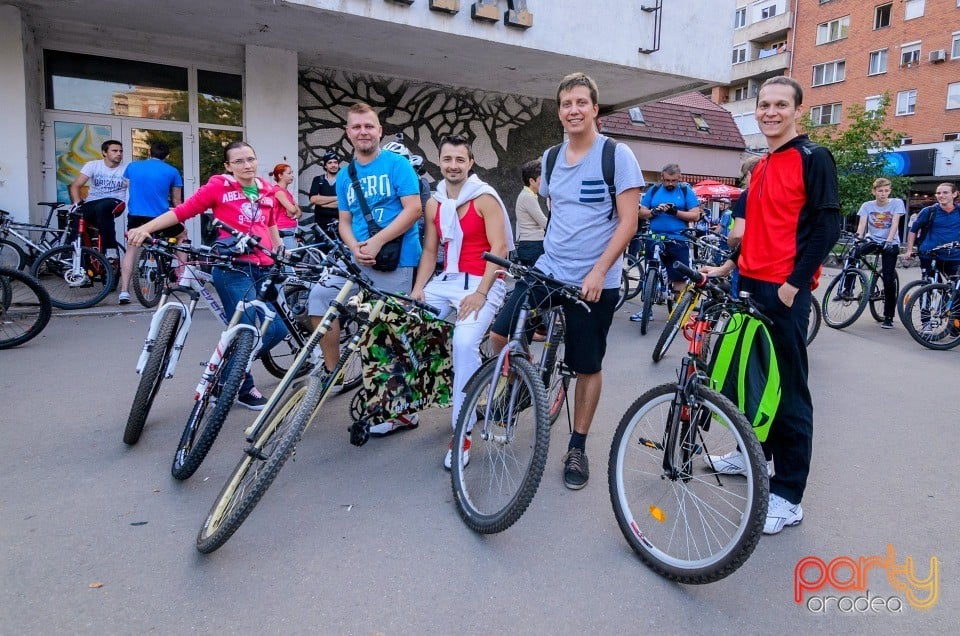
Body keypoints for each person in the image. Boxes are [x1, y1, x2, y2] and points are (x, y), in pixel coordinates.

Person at [489, 72, 644, 490]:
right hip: (551, 267)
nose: (572, 110)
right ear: (559, 112)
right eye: (565, 104)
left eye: (580, 102)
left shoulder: (617, 155)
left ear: (595, 108)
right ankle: (520, 387)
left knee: (586, 365)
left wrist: (597, 270)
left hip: (596, 280)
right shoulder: (552, 158)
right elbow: (560, 213)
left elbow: (628, 223)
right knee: (501, 334)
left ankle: (577, 444)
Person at [700, 76, 841, 535]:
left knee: (791, 391)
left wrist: (793, 285)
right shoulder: (761, 165)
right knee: (753, 379)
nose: (771, 112)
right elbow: (758, 229)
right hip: (750, 286)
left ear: (798, 110)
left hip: (783, 293)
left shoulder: (813, 158)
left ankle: (788, 494)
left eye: (781, 104)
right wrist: (730, 265)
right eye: (764, 105)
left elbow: (827, 228)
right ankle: (752, 454)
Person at [127, 141, 288, 410]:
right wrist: (145, 227)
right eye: (239, 161)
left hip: (263, 269)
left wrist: (281, 253)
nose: (246, 165)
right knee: (245, 330)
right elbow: (181, 211)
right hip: (233, 269)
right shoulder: (219, 187)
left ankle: (227, 375)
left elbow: (270, 226)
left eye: (251, 158)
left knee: (276, 330)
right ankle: (240, 387)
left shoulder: (267, 189)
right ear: (228, 166)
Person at [307, 102, 423, 434]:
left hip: (396, 258)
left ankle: (401, 411)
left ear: (379, 131)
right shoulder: (345, 175)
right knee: (319, 299)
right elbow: (345, 221)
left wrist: (376, 242)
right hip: (358, 258)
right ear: (348, 133)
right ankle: (334, 373)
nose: (363, 132)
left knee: (385, 335)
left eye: (369, 126)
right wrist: (355, 247)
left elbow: (413, 210)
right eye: (357, 127)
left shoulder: (397, 164)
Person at [410, 135, 513, 468]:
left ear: (470, 163)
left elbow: (500, 249)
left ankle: (463, 431)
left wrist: (481, 293)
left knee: (465, 341)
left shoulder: (484, 198)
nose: (453, 165)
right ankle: (403, 410)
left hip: (484, 282)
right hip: (447, 281)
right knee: (404, 324)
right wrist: (419, 288)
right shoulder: (435, 202)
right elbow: (430, 251)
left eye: (460, 159)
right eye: (447, 159)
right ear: (439, 162)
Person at [630, 163, 701, 322]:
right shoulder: (654, 190)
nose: (670, 183)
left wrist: (675, 212)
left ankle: (676, 312)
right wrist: (653, 212)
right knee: (650, 272)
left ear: (679, 178)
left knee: (679, 278)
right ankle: (646, 309)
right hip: (654, 238)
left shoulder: (684, 191)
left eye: (674, 180)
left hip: (678, 240)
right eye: (667, 180)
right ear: (662, 178)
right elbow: (642, 212)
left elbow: (695, 215)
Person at [117, 141, 184, 304]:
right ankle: (183, 278)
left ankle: (124, 291)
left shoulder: (132, 166)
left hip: (136, 216)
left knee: (131, 249)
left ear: (149, 153)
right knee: (182, 236)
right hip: (160, 218)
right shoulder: (172, 171)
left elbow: (127, 186)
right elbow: (177, 201)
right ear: (167, 156)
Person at [853, 177, 905, 329]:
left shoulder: (896, 203)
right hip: (873, 240)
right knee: (853, 254)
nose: (883, 194)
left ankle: (888, 316)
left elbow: (895, 223)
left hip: (890, 242)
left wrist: (888, 241)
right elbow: (862, 225)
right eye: (880, 191)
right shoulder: (867, 206)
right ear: (874, 191)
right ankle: (846, 289)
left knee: (888, 279)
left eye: (886, 191)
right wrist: (858, 239)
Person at [68, 139, 127, 258]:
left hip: (116, 202)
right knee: (76, 215)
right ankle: (75, 254)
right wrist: (77, 204)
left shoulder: (126, 169)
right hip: (93, 203)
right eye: (114, 151)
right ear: (104, 152)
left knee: (103, 206)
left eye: (120, 151)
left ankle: (110, 249)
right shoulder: (93, 165)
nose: (119, 154)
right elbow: (76, 185)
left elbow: (133, 188)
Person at [903, 182, 960, 279]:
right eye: (938, 193)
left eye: (945, 193)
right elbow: (913, 230)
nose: (941, 196)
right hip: (929, 253)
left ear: (955, 194)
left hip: (954, 256)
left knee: (954, 288)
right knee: (928, 284)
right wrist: (909, 250)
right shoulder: (929, 211)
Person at [514, 158, 549, 266]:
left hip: (531, 245)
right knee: (534, 280)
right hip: (533, 245)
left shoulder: (528, 195)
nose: (543, 182)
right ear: (531, 181)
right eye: (541, 179)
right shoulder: (528, 197)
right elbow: (544, 223)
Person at [271, 163, 303, 250]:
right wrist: (294, 209)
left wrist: (294, 210)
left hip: (289, 228)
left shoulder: (286, 192)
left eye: (292, 173)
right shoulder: (278, 191)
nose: (292, 175)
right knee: (289, 257)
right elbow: (293, 210)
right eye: (289, 173)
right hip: (283, 229)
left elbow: (299, 213)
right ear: (280, 175)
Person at [308, 150, 341, 230]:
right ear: (325, 166)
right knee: (321, 243)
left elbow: (345, 202)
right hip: (321, 224)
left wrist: (323, 203)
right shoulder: (318, 180)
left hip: (341, 223)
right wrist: (338, 198)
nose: (333, 165)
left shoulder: (343, 180)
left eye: (335, 162)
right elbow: (313, 199)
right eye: (330, 163)